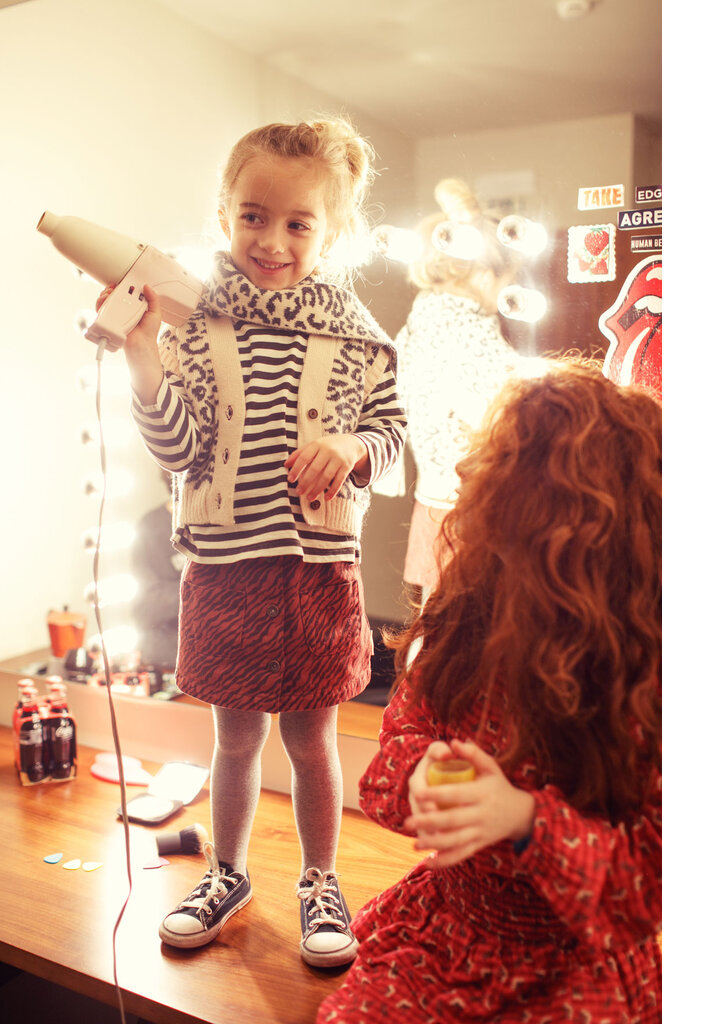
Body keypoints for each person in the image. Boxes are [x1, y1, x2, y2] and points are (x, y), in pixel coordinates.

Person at [99, 118, 406, 967]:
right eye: (253, 216)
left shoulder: (359, 335)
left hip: (318, 572)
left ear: (332, 232)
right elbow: (176, 448)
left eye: (298, 223)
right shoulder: (196, 327)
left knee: (311, 742)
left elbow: (389, 433)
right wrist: (141, 355)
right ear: (225, 213)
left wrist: (350, 446)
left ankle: (320, 880)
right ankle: (228, 872)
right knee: (235, 740)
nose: (272, 240)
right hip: (225, 568)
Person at [317, 358, 662, 1022]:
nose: (462, 471)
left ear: (570, 514)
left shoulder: (644, 678)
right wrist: (421, 775)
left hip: (572, 964)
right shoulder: (466, 611)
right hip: (446, 936)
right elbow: (403, 738)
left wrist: (528, 821)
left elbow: (649, 886)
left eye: (499, 464)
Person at [394, 178, 522, 605]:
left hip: (432, 503)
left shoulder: (416, 327)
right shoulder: (471, 333)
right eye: (508, 280)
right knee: (473, 634)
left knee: (435, 631)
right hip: (474, 515)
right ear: (485, 276)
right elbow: (511, 419)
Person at [130, 468, 184, 672]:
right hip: (166, 658)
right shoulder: (150, 527)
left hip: (218, 656)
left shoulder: (218, 526)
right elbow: (147, 606)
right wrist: (203, 591)